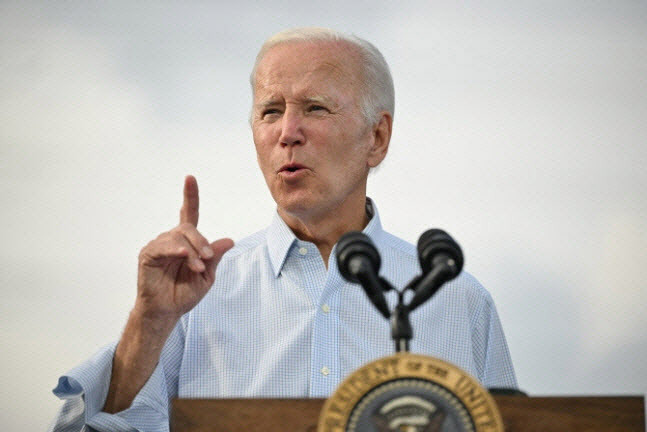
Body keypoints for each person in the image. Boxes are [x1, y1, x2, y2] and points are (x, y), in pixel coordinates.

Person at [48, 27, 517, 432]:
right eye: (270, 111)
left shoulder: (459, 301)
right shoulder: (193, 295)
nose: (287, 132)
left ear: (377, 138)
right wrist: (148, 323)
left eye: (314, 108)